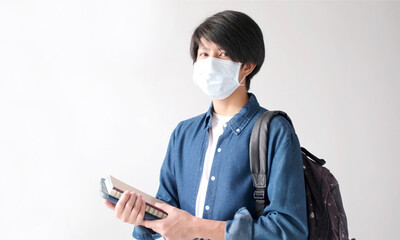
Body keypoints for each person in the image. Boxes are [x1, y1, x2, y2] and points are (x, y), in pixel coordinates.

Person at [104, 10, 308, 239]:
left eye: (222, 54)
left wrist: (195, 227)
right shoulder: (183, 134)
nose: (210, 63)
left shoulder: (275, 132)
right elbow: (167, 212)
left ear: (248, 66)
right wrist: (142, 219)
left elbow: (289, 230)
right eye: (204, 54)